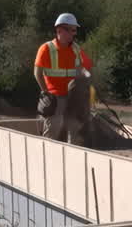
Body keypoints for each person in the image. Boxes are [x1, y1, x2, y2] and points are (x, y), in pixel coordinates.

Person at [34, 13, 93, 145]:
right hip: (55, 98)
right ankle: (48, 158)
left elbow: (86, 68)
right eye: (71, 30)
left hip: (72, 97)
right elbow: (37, 73)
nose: (74, 33)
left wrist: (86, 78)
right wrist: (46, 93)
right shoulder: (46, 49)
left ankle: (73, 156)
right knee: (52, 131)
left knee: (75, 130)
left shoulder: (76, 49)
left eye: (74, 30)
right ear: (59, 30)